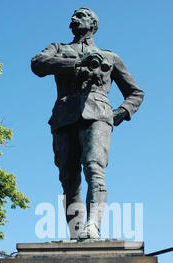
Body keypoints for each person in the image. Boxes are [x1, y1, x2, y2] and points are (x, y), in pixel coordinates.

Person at [31, 7, 144, 239]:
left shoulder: (110, 57)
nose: (74, 19)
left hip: (98, 116)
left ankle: (92, 227)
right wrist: (75, 64)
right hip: (64, 118)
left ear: (93, 24)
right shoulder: (59, 49)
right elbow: (37, 64)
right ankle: (75, 234)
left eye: (80, 15)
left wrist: (121, 112)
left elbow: (135, 92)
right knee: (69, 178)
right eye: (73, 16)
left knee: (94, 169)